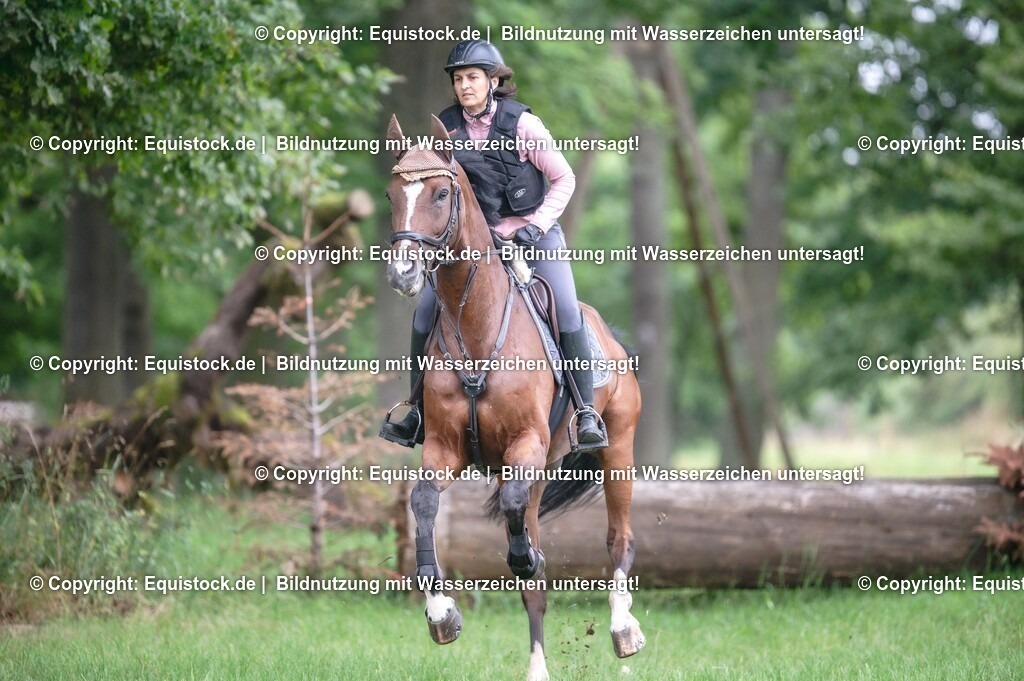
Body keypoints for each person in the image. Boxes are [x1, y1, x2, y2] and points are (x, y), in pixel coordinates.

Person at [381, 39, 607, 452]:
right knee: (425, 312)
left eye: (472, 78)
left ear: (493, 80)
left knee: (566, 307)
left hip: (534, 235)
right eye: (458, 79)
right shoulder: (445, 130)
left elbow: (565, 179)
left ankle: (586, 410)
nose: (465, 86)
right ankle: (415, 411)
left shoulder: (523, 126)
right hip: (477, 245)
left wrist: (534, 227)